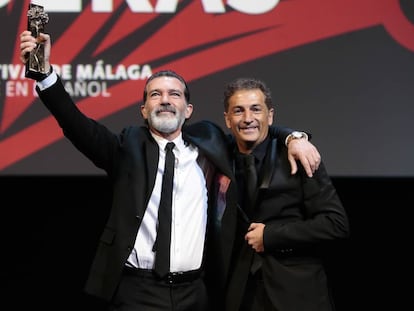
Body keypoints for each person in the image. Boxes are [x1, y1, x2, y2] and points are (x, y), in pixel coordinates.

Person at [19, 30, 321, 311]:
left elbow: (253, 127)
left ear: (188, 110)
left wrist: (293, 136)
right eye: (155, 94)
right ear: (143, 110)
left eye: (174, 94)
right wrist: (45, 75)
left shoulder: (211, 144)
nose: (165, 99)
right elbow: (76, 124)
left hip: (197, 292)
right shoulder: (127, 148)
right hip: (136, 291)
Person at [222, 77, 350, 311]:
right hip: (240, 295)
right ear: (228, 119)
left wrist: (271, 236)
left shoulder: (300, 157)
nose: (248, 118)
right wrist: (291, 134)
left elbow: (335, 224)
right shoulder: (218, 157)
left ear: (270, 116)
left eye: (256, 110)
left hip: (296, 292)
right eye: (238, 111)